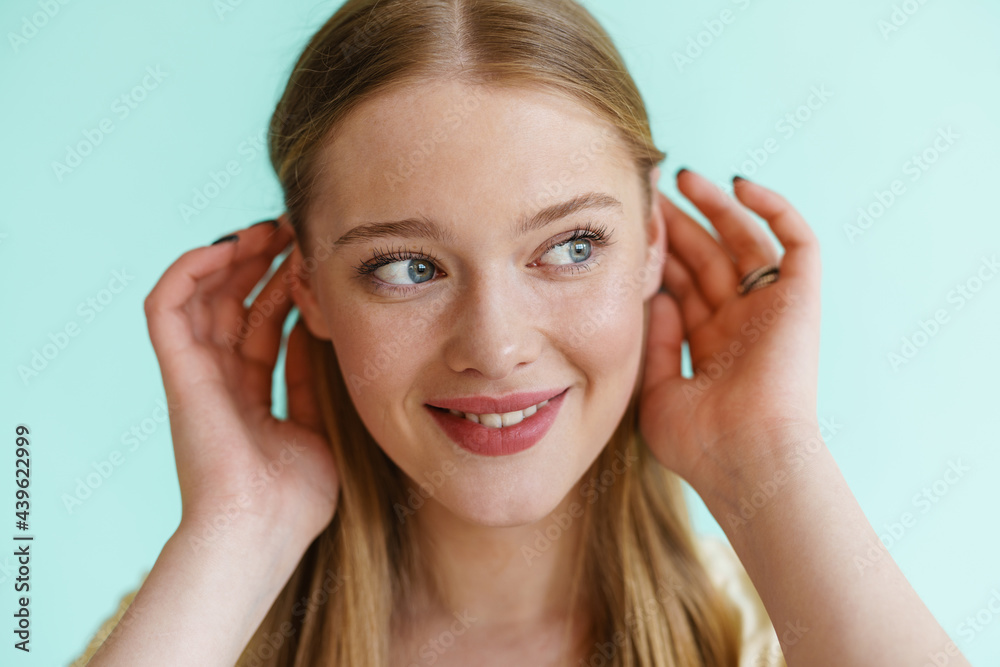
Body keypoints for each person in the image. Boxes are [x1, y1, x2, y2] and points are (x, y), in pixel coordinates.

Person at [77, 0, 970, 665]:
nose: (496, 346)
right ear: (304, 282)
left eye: (572, 246)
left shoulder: (771, 636)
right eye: (407, 266)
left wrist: (769, 460)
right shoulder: (198, 627)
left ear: (653, 243)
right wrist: (241, 530)